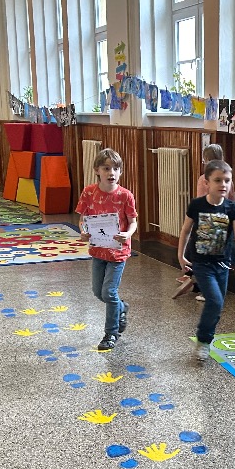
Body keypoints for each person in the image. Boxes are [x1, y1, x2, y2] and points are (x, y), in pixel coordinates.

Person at [177, 160, 235, 362]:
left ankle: (204, 339)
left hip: (222, 265)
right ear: (207, 182)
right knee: (215, 300)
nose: (223, 184)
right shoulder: (197, 205)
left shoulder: (232, 207)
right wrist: (181, 255)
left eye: (227, 180)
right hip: (201, 264)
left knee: (217, 306)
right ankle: (203, 341)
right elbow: (186, 230)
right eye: (218, 180)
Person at [177, 144, 235, 302]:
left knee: (209, 257)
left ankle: (199, 285)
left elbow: (202, 204)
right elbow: (232, 201)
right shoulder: (227, 179)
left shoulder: (204, 179)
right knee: (230, 256)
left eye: (205, 159)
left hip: (212, 225)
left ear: (207, 160)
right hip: (226, 223)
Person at [76, 148, 138, 352]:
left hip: (118, 252)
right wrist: (83, 231)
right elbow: (83, 219)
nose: (112, 172)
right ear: (97, 170)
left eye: (116, 169)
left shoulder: (125, 195)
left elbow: (133, 222)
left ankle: (111, 333)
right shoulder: (89, 192)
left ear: (120, 171)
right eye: (106, 168)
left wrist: (128, 234)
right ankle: (121, 307)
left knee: (109, 292)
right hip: (98, 250)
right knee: (98, 292)